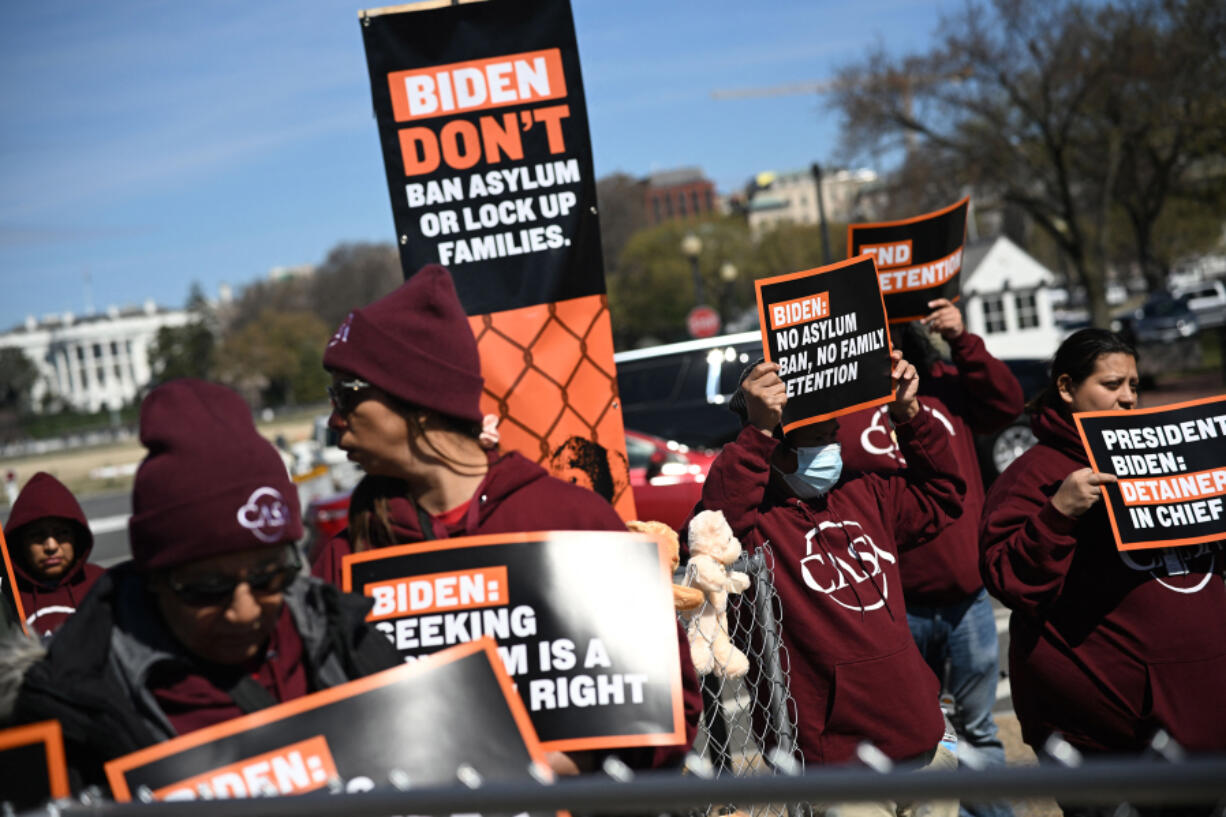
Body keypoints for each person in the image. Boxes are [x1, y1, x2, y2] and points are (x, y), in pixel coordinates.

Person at [310, 264, 701, 772]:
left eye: (347, 395)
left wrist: (557, 764)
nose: (334, 422)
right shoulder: (344, 557)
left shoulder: (571, 520)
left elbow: (672, 716)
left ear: (417, 399)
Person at [1, 379, 401, 793]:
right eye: (208, 587)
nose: (244, 610)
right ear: (154, 576)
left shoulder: (348, 643)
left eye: (270, 576)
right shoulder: (69, 710)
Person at [692, 349, 966, 817]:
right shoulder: (755, 524)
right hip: (834, 769)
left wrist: (909, 414)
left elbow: (943, 493)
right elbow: (714, 520)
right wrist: (756, 431)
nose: (830, 450)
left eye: (832, 435)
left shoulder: (865, 492)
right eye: (813, 439)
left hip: (921, 743)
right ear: (774, 449)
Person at [981, 328, 1226, 766]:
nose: (1128, 398)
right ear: (1067, 389)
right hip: (1109, 737)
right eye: (1111, 385)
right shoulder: (1034, 474)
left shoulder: (1173, 459)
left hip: (1204, 718)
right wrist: (1059, 514)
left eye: (1133, 385)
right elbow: (1007, 579)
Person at [838, 299, 1021, 817]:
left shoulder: (942, 383)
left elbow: (1007, 404)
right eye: (880, 343)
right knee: (923, 742)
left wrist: (963, 339)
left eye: (899, 340)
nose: (892, 351)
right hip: (899, 610)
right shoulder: (843, 418)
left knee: (980, 733)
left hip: (969, 601)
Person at [3, 472, 106, 639]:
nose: (51, 546)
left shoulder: (103, 583)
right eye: (37, 536)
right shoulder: (7, 598)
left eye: (62, 533)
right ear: (20, 543)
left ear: (76, 537)